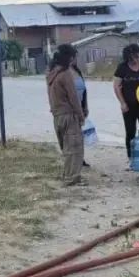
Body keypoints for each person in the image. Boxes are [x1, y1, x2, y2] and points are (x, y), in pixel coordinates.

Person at [46, 44, 86, 186]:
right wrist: (81, 115)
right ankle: (72, 178)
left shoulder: (51, 72)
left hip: (57, 116)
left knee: (67, 148)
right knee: (74, 148)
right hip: (69, 115)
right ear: (69, 58)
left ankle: (67, 175)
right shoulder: (66, 74)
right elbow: (73, 98)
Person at [70, 58, 90, 167]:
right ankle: (74, 160)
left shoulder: (77, 71)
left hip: (80, 107)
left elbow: (84, 90)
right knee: (72, 136)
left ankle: (80, 158)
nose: (75, 60)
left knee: (80, 136)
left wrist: (85, 106)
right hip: (71, 109)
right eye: (73, 57)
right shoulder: (64, 73)